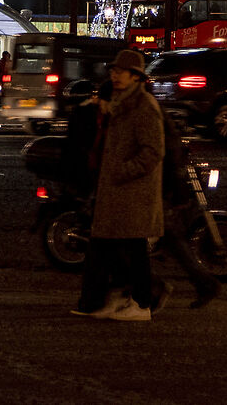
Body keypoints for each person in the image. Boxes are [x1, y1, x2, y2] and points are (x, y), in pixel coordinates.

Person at [73, 47, 165, 321]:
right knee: (107, 247)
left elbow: (153, 151)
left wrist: (121, 171)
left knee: (131, 249)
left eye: (120, 71)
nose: (114, 75)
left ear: (136, 77)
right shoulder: (121, 103)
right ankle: (100, 302)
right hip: (119, 192)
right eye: (113, 70)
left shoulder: (144, 107)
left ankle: (140, 304)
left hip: (132, 192)